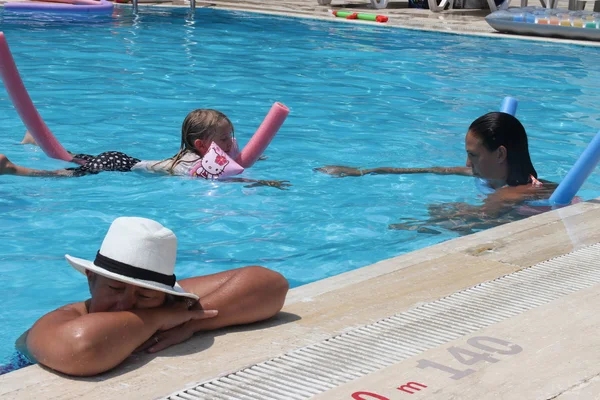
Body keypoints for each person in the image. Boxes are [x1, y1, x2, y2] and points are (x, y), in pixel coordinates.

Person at [17, 216, 289, 377]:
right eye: (114, 288)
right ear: (92, 279)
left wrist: (193, 323)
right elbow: (81, 350)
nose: (125, 304)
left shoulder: (170, 304)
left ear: (164, 294)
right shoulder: (63, 319)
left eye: (145, 296)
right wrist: (158, 317)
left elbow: (271, 285)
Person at [316, 112, 557, 234]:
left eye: (473, 155)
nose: (466, 162)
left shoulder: (510, 194)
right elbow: (434, 169)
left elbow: (478, 218)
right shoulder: (490, 175)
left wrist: (412, 226)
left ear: (500, 155)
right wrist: (362, 171)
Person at [0, 109, 291, 189]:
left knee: (74, 158)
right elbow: (222, 179)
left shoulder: (202, 154)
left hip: (124, 160)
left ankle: (33, 140)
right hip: (118, 166)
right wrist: (258, 181)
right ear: (202, 146)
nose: (231, 144)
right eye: (225, 139)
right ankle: (15, 169)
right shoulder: (189, 165)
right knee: (67, 174)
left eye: (231, 137)